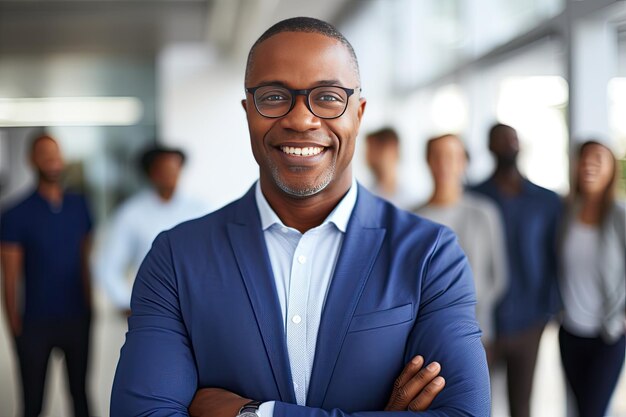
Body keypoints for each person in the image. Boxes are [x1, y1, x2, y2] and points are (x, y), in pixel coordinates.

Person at [111, 17, 490, 417]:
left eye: (327, 96)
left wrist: (255, 414)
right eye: (274, 96)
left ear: (358, 114)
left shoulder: (430, 253)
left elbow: (464, 414)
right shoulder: (176, 257)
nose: (300, 118)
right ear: (247, 113)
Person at [471, 123, 561, 417]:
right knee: (478, 402)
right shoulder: (475, 197)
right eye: (500, 141)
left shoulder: (547, 201)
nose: (508, 145)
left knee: (521, 405)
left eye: (512, 140)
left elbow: (554, 256)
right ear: (489, 147)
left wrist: (548, 311)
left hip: (530, 319)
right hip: (485, 321)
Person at [0, 134, 92, 417]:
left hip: (77, 317)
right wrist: (13, 324)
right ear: (32, 160)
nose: (52, 159)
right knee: (32, 403)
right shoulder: (16, 213)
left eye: (56, 153)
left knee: (80, 396)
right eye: (44, 153)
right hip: (35, 323)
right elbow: (10, 276)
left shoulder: (79, 205)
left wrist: (91, 311)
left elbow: (86, 261)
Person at [415, 134, 507, 357]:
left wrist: (467, 314)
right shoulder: (412, 219)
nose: (445, 165)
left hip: (478, 333)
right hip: (427, 338)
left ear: (463, 162)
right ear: (427, 161)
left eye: (452, 157)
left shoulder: (484, 213)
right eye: (437, 156)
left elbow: (498, 277)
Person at [94, 145, 208, 314]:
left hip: (197, 306)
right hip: (153, 308)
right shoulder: (131, 213)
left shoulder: (200, 209)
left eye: (175, 168)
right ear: (151, 173)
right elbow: (108, 266)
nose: (171, 173)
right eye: (165, 168)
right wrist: (126, 304)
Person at [557, 140, 625, 417]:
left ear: (612, 169)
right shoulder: (566, 211)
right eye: (584, 159)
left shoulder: (620, 215)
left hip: (608, 333)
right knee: (580, 408)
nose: (589, 165)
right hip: (570, 330)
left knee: (593, 410)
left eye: (598, 158)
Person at [365, 127, 414, 209]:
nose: (367, 157)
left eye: (372, 149)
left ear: (392, 149)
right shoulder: (366, 198)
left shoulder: (412, 200)